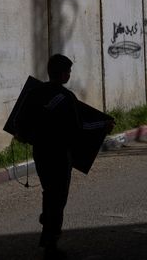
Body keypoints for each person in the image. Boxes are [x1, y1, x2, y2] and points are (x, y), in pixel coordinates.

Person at [30, 54, 112, 258]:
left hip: (40, 153)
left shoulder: (35, 92)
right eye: (69, 71)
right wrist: (104, 125)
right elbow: (79, 128)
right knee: (58, 198)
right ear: (64, 74)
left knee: (49, 191)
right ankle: (50, 243)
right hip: (59, 156)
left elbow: (23, 122)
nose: (69, 75)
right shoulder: (66, 98)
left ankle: (47, 220)